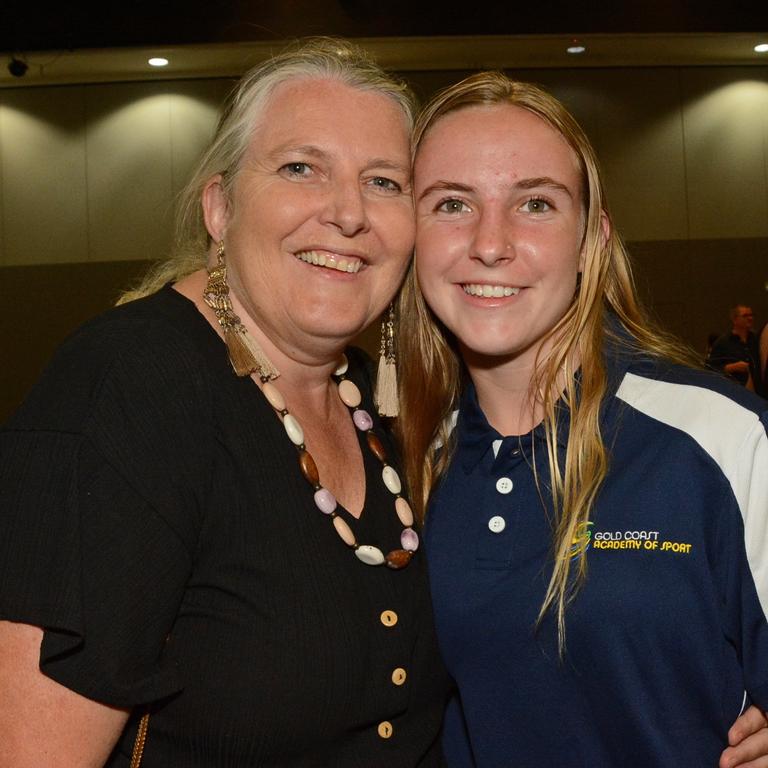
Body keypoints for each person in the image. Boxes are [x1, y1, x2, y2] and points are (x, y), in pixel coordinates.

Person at [0, 39, 449, 766]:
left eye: (385, 182)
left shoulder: (380, 402)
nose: (348, 213)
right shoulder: (127, 389)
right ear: (219, 205)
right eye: (301, 167)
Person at [398, 71, 768, 767]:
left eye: (535, 203)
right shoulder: (410, 470)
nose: (490, 243)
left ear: (590, 238)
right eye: (451, 204)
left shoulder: (720, 440)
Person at [707, 304, 764, 396]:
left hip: (757, 393)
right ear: (734, 320)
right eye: (745, 315)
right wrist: (731, 367)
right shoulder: (723, 342)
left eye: (751, 315)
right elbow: (710, 368)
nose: (750, 318)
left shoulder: (757, 339)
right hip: (734, 392)